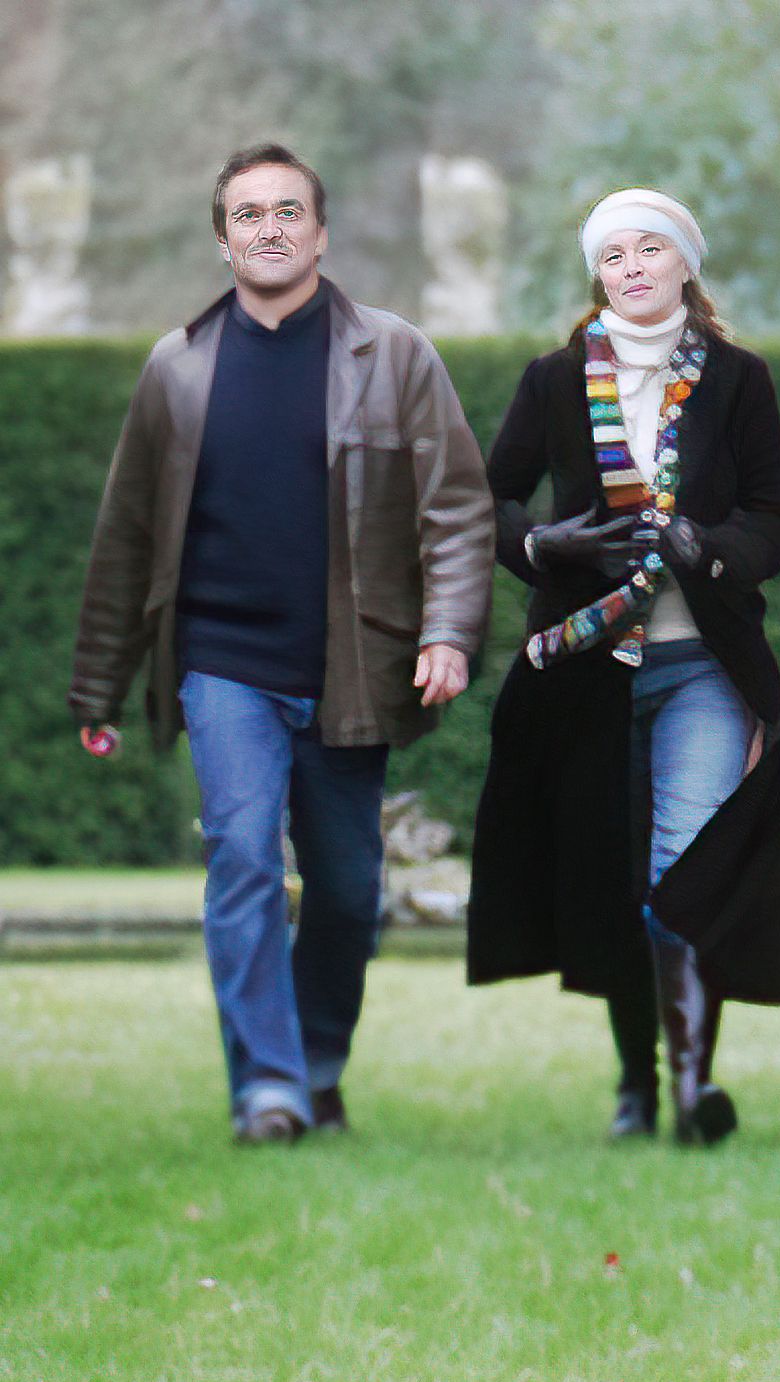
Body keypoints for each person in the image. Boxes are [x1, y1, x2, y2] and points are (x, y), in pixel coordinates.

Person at [69, 143, 491, 1143]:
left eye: (288, 211)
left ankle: (315, 1062)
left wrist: (448, 631)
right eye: (247, 213)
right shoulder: (175, 370)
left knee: (348, 895)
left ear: (321, 232)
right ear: (222, 241)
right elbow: (126, 535)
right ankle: (267, 1087)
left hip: (352, 670)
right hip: (222, 665)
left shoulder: (394, 355)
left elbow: (459, 511)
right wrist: (99, 689)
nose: (268, 227)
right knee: (245, 858)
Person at [467, 189, 780, 1143]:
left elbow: (777, 521)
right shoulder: (553, 379)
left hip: (703, 664)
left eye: (649, 249)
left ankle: (694, 1092)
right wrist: (548, 545)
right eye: (612, 255)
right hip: (585, 668)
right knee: (614, 883)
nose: (631, 267)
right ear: (597, 276)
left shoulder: (740, 381)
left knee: (680, 874)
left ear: (686, 264)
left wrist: (704, 544)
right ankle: (636, 1084)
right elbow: (488, 501)